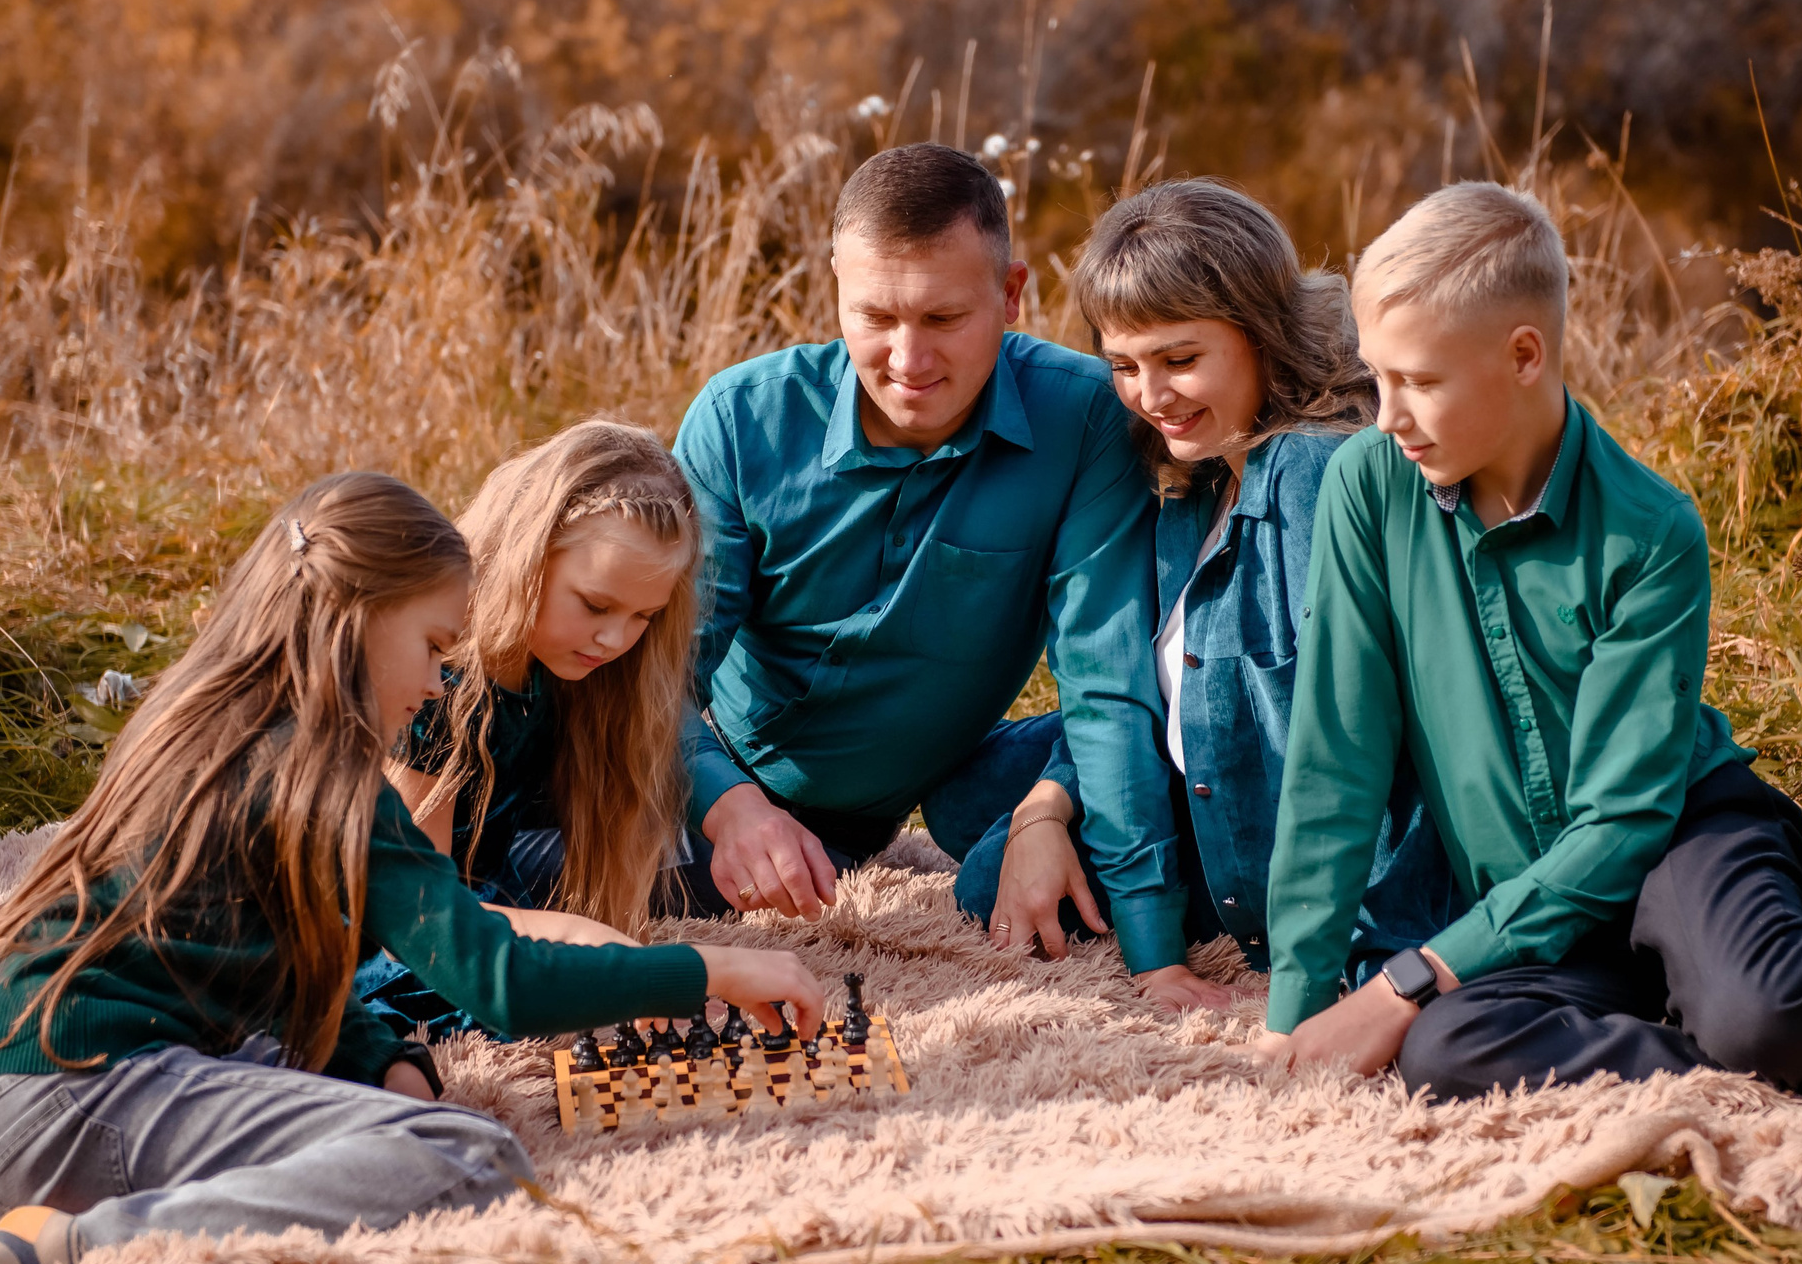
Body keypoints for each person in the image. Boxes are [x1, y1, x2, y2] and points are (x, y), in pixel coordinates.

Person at [0, 472, 822, 1264]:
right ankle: (67, 1244)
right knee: (466, 1155)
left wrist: (384, 1065)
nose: (438, 676)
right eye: (431, 644)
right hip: (61, 1103)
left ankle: (87, 1207)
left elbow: (296, 965)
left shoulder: (203, 725)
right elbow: (501, 977)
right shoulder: (330, 776)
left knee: (382, 1110)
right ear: (357, 622)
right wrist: (705, 968)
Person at [1255, 181, 1802, 1098]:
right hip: (1531, 909)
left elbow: (1625, 821)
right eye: (1376, 376)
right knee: (1445, 1051)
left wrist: (1408, 976)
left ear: (1524, 355)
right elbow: (1335, 757)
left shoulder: (1652, 531)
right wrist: (1295, 1009)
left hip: (1679, 836)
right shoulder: (1365, 487)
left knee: (1758, 1013)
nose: (1386, 415)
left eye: (1419, 382)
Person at [671, 143, 1214, 1002]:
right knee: (588, 878)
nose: (907, 358)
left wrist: (1153, 950)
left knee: (1144, 745)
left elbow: (1107, 673)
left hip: (951, 765)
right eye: (876, 316)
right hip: (747, 774)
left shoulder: (1085, 418)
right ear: (835, 292)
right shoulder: (741, 421)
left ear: (1010, 295)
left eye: (943, 319)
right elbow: (655, 677)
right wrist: (728, 802)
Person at [966, 178, 1457, 1001]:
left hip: (1274, 826)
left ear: (1262, 333)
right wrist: (1046, 806)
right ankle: (1052, 804)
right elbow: (1124, 680)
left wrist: (1335, 964)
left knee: (992, 881)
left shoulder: (1314, 473)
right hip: (1194, 750)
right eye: (1123, 365)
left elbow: (1358, 746)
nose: (1150, 397)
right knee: (975, 814)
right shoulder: (1188, 481)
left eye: (1180, 359)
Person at [354, 421, 710, 1040]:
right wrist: (582, 940)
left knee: (689, 866)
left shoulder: (581, 673)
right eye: (596, 605)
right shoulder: (438, 684)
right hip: (394, 918)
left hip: (492, 880)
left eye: (644, 617)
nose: (617, 640)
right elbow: (415, 923)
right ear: (527, 558)